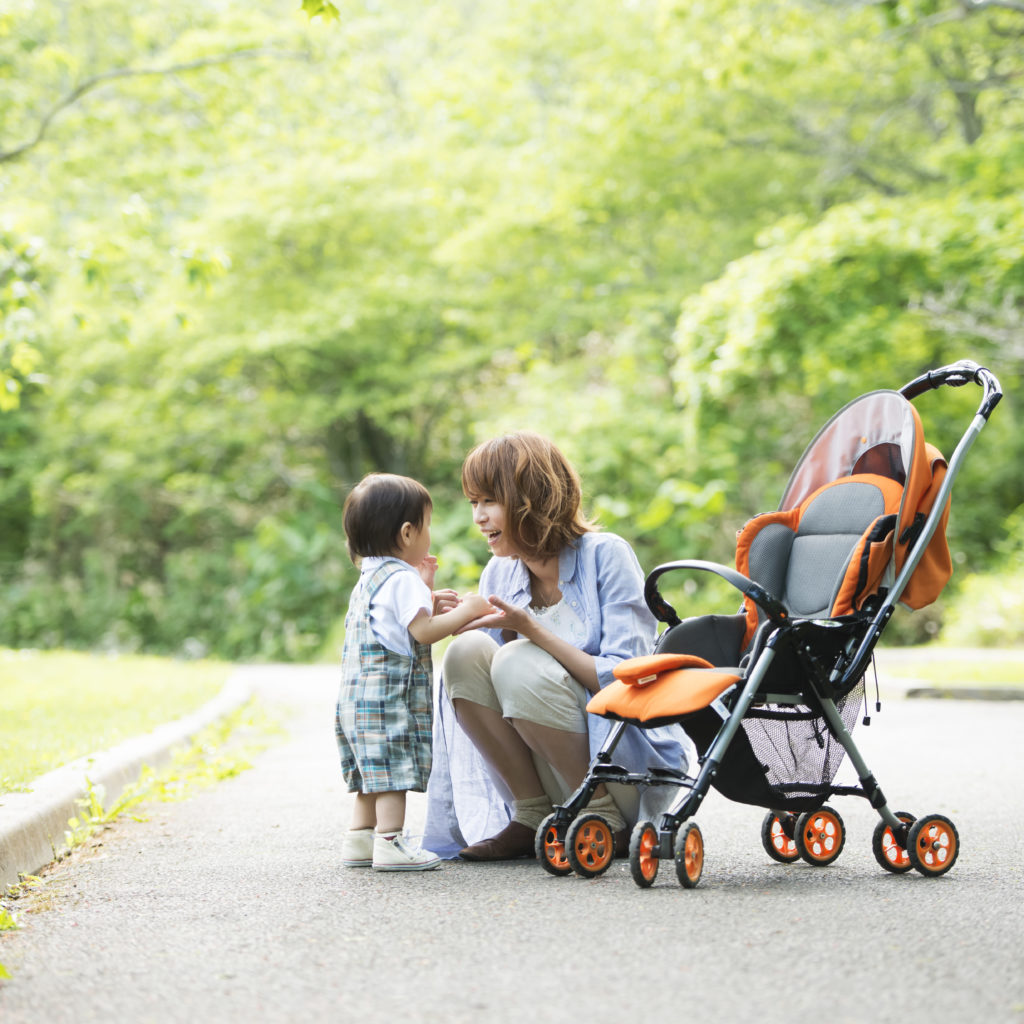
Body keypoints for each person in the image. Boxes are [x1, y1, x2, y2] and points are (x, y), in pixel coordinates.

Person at [423, 432, 693, 860]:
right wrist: (429, 607)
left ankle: (602, 814)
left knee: (516, 658)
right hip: (545, 776)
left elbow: (626, 679)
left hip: (620, 770)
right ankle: (530, 815)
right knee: (465, 651)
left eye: (489, 501)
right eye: (473, 502)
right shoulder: (500, 573)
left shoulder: (607, 555)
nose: (477, 517)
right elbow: (486, 685)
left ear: (531, 498)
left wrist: (531, 629)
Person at [337, 472, 495, 872]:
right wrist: (468, 610)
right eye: (427, 526)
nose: (429, 535)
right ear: (407, 533)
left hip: (355, 702)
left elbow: (398, 624)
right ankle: (390, 843)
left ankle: (360, 839)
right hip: (389, 701)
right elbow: (423, 632)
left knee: (370, 773)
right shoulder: (401, 578)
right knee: (391, 773)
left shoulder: (371, 578)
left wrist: (425, 592)